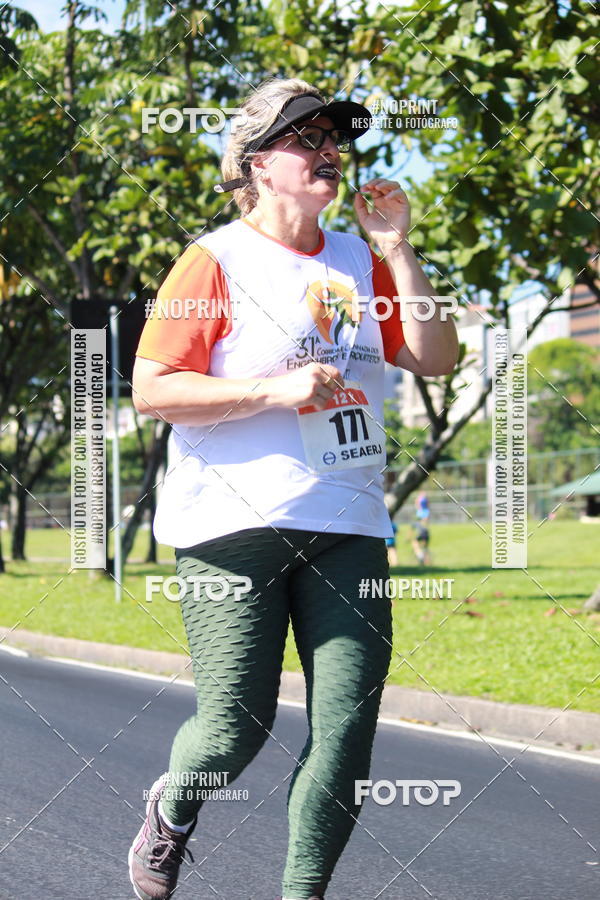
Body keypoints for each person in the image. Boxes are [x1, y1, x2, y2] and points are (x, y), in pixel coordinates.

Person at [129, 77, 458, 900]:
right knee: (234, 729)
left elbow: (435, 356)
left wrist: (397, 248)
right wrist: (274, 392)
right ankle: (172, 809)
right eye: (305, 137)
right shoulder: (216, 260)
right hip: (232, 525)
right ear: (256, 163)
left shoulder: (357, 258)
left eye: (333, 137)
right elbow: (152, 387)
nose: (328, 150)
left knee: (346, 732)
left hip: (349, 521)